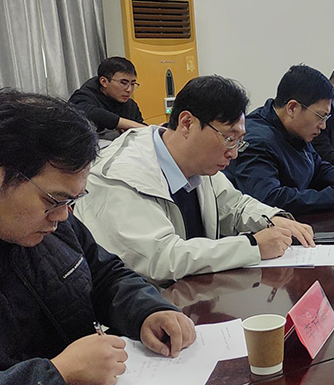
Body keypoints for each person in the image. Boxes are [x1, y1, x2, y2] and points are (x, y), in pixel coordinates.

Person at [0, 89, 195, 384]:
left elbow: (104, 274)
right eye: (53, 200)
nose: (63, 215)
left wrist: (148, 310)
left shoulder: (53, 224)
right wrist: (58, 373)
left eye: (73, 200)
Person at [74, 76, 315, 282]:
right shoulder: (121, 175)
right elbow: (161, 258)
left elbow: (234, 206)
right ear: (187, 123)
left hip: (192, 296)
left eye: (239, 141)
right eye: (229, 138)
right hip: (144, 310)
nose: (233, 153)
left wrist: (272, 218)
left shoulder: (196, 162)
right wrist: (252, 246)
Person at [225, 65, 334, 215]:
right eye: (320, 116)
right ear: (292, 108)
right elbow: (269, 199)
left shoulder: (293, 130)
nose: (323, 126)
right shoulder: (258, 141)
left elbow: (318, 167)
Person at [69, 56, 145, 138]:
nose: (129, 89)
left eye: (133, 84)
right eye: (123, 83)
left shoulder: (130, 105)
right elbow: (86, 111)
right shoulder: (83, 97)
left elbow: (142, 128)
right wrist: (125, 124)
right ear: (104, 81)